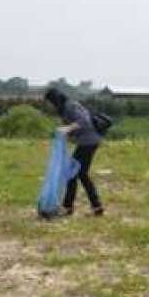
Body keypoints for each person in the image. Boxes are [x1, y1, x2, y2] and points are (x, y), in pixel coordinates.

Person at [44, 88, 104, 216]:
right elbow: (74, 129)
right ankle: (94, 207)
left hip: (89, 142)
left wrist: (68, 128)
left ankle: (72, 207)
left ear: (54, 100)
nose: (48, 105)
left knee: (75, 173)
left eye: (48, 102)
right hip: (85, 142)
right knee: (77, 174)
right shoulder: (63, 109)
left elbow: (84, 121)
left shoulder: (70, 106)